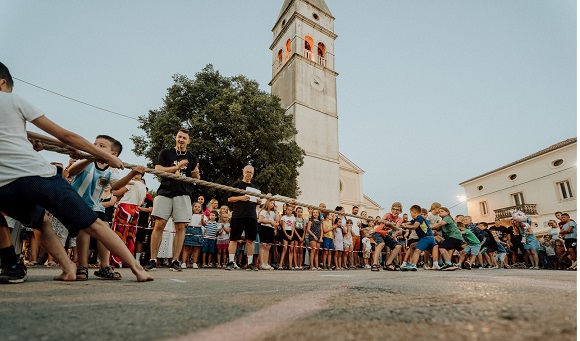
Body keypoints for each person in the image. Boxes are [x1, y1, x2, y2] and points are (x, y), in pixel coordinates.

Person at [0, 62, 151, 283]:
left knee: (40, 222)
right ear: (3, 82)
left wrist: (64, 148)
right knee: (95, 225)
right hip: (37, 177)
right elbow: (66, 135)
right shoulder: (11, 99)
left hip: (4, 187)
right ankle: (138, 269)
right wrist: (107, 157)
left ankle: (68, 269)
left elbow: (25, 134)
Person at [67, 135, 147, 280]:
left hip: (96, 206)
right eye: (94, 144)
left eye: (102, 146)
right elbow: (71, 172)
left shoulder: (111, 169)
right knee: (85, 229)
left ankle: (104, 266)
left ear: (113, 154)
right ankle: (82, 266)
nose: (96, 147)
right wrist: (90, 158)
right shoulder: (87, 161)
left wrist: (132, 173)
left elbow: (115, 186)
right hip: (77, 202)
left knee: (104, 229)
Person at [145, 129, 200, 272]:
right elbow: (157, 168)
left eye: (184, 138)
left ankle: (175, 260)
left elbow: (195, 179)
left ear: (189, 141)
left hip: (183, 193)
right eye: (179, 137)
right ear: (176, 138)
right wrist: (177, 166)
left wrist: (195, 175)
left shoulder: (192, 157)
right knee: (159, 224)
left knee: (180, 226)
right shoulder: (166, 152)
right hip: (165, 192)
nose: (181, 139)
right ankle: (152, 259)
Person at [225, 165, 262, 271]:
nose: (248, 174)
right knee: (234, 238)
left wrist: (258, 201)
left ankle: (250, 263)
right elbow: (230, 199)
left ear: (253, 174)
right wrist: (241, 197)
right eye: (247, 172)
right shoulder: (237, 185)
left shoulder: (255, 188)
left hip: (251, 215)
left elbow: (257, 201)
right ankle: (231, 261)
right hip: (238, 215)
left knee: (250, 240)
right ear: (243, 172)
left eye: (250, 172)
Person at [110, 170, 147, 268]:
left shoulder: (131, 183)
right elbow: (142, 201)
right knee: (131, 236)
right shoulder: (143, 187)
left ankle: (116, 260)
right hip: (136, 209)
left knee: (119, 234)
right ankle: (128, 260)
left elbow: (116, 193)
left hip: (125, 207)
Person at [399, 205, 436, 271]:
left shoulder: (420, 217)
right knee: (412, 246)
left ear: (414, 212)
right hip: (428, 238)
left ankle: (413, 265)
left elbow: (415, 226)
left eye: (411, 212)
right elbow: (409, 223)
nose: (410, 214)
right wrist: (402, 225)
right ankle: (411, 262)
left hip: (426, 238)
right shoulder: (416, 219)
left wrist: (406, 227)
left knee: (417, 250)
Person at [370, 202, 403, 272]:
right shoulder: (388, 215)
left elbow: (396, 228)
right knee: (381, 243)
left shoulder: (400, 219)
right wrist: (382, 221)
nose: (395, 211)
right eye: (394, 209)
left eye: (397, 210)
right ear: (391, 209)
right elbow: (383, 220)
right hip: (377, 232)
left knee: (398, 246)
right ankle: (375, 264)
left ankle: (388, 264)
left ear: (400, 211)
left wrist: (390, 225)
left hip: (386, 235)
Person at [181, 202, 206, 269]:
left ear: (201, 209)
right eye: (196, 206)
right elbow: (185, 224)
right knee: (186, 247)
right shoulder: (189, 215)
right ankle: (183, 262)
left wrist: (202, 219)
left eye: (199, 207)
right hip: (189, 230)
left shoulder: (202, 216)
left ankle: (195, 262)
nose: (197, 208)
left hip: (198, 230)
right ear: (192, 207)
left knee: (196, 248)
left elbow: (204, 224)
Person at [258, 199, 277, 270]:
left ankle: (266, 263)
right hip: (264, 228)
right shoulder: (263, 211)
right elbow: (260, 220)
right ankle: (261, 263)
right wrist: (269, 222)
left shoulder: (273, 213)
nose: (272, 204)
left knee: (268, 246)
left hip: (270, 229)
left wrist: (276, 211)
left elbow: (277, 220)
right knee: (263, 245)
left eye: (273, 203)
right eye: (271, 203)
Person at [279, 205, 296, 270]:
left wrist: (292, 234)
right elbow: (283, 226)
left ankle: (290, 265)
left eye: (290, 210)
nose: (289, 211)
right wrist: (286, 234)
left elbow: (293, 226)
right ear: (286, 210)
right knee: (285, 248)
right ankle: (281, 264)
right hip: (285, 232)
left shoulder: (293, 218)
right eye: (288, 210)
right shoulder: (283, 217)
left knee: (291, 249)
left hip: (291, 232)